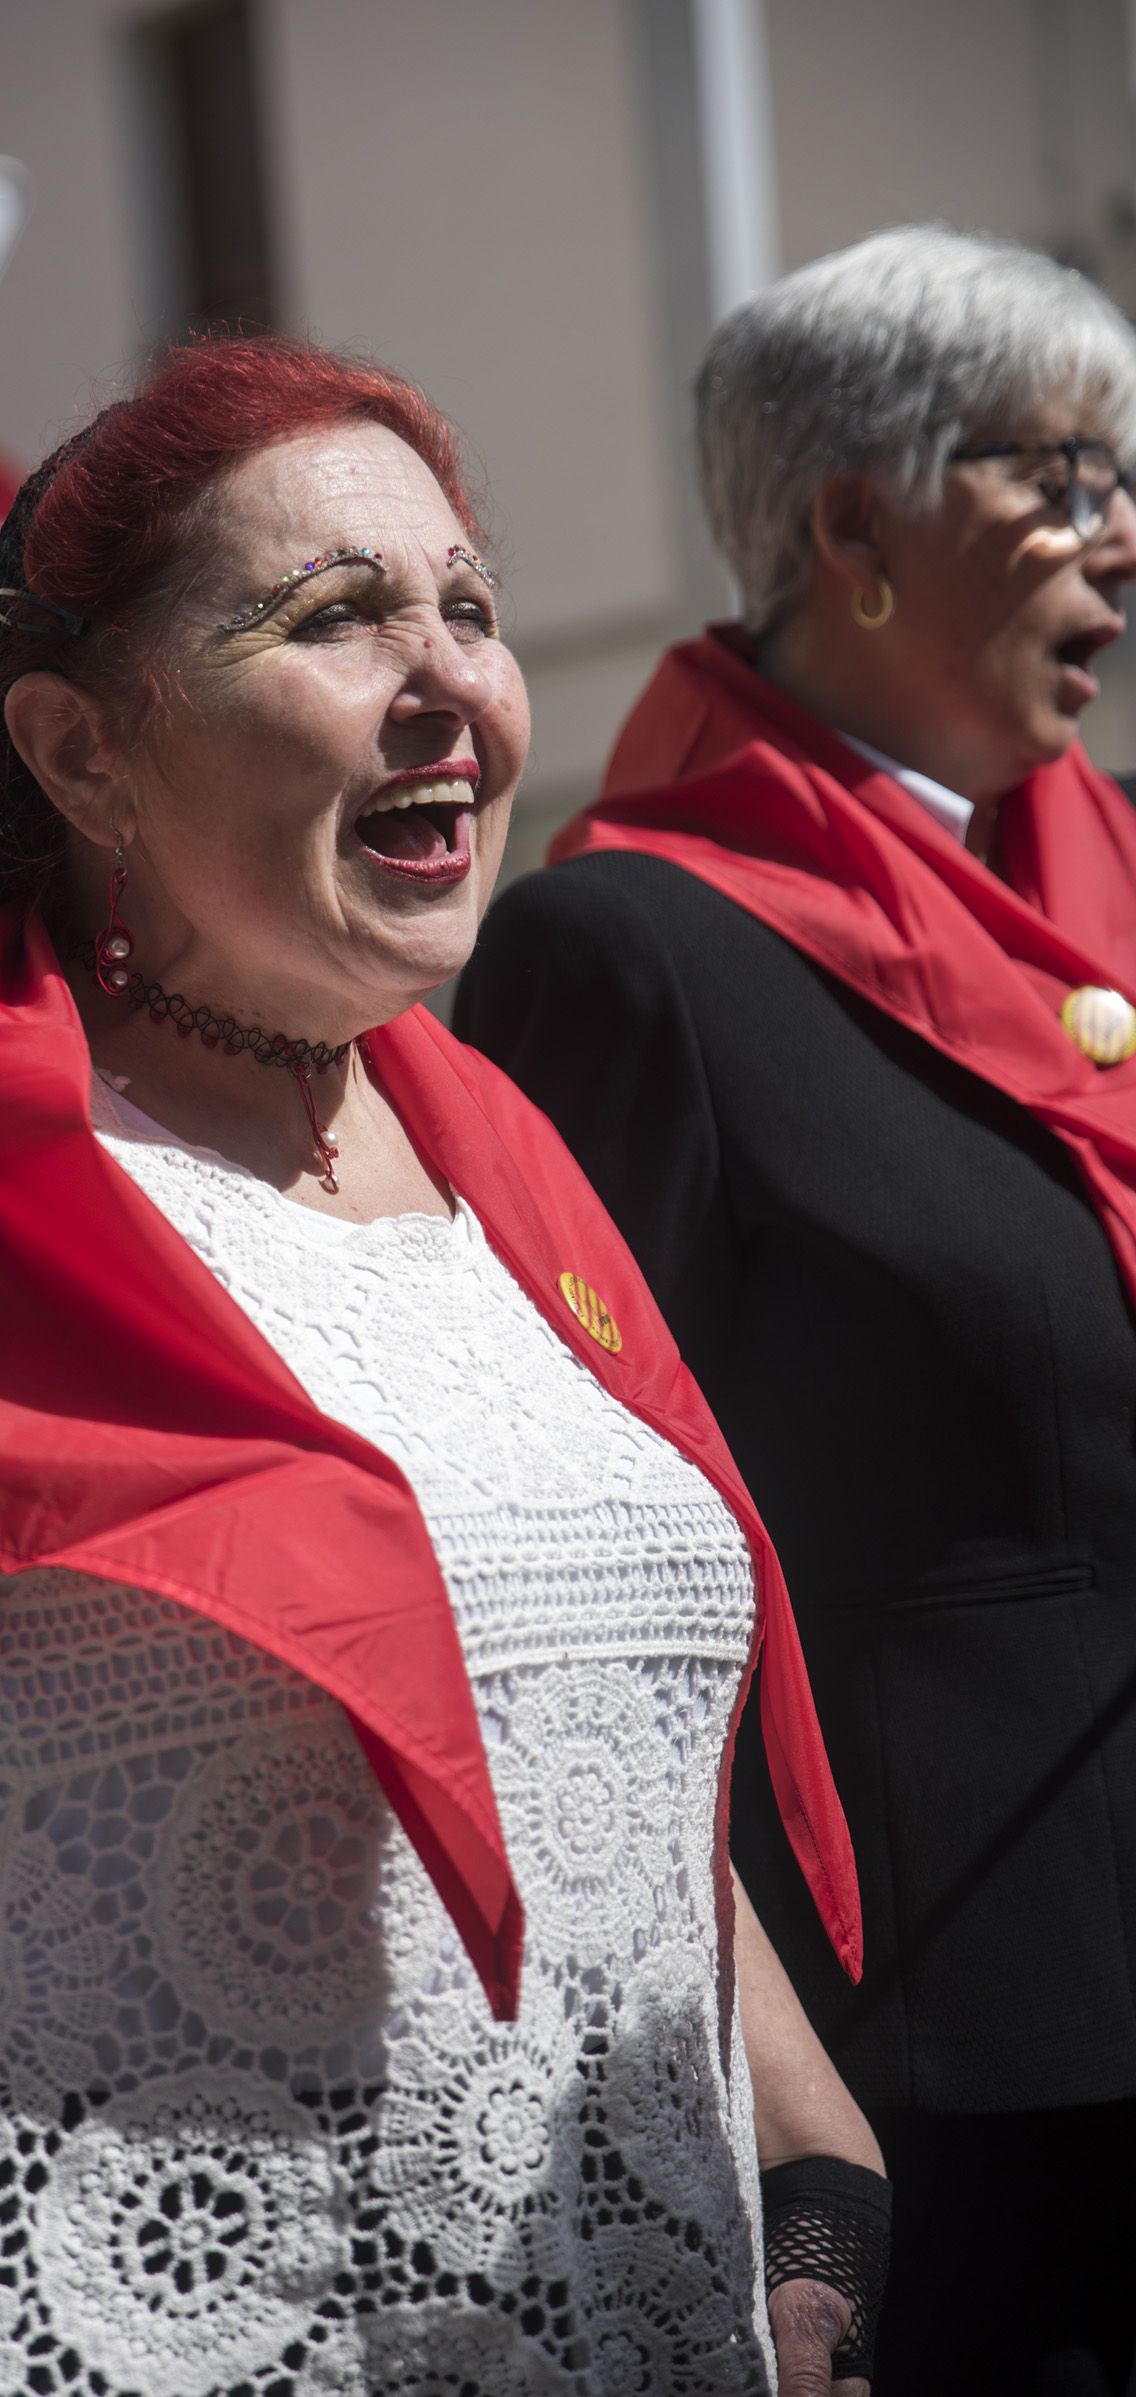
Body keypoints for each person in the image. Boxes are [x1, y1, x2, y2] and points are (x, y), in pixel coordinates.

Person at [0, 337, 883, 2397]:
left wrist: (804, 2150)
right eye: (334, 616)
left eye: (468, 604)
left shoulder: (495, 1154)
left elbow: (589, 1718)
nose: (449, 678)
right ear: (82, 755)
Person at [456, 226, 1136, 2396]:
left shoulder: (1110, 872)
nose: (1117, 539)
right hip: (955, 2050)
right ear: (849, 522)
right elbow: (583, 1530)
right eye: (1062, 475)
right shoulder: (625, 951)